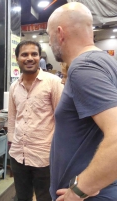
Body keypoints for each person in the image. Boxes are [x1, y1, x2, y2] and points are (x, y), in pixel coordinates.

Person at [47, 2, 117, 201]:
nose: (50, 42)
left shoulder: (83, 67)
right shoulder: (106, 62)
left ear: (60, 33)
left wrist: (80, 190)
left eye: (48, 35)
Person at [7, 40, 63, 201]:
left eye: (34, 54)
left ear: (40, 57)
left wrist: (59, 153)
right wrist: (12, 145)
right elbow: (12, 118)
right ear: (17, 58)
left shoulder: (53, 82)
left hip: (44, 156)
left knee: (45, 197)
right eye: (24, 54)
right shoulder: (14, 87)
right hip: (18, 154)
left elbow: (62, 119)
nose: (29, 58)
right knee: (22, 196)